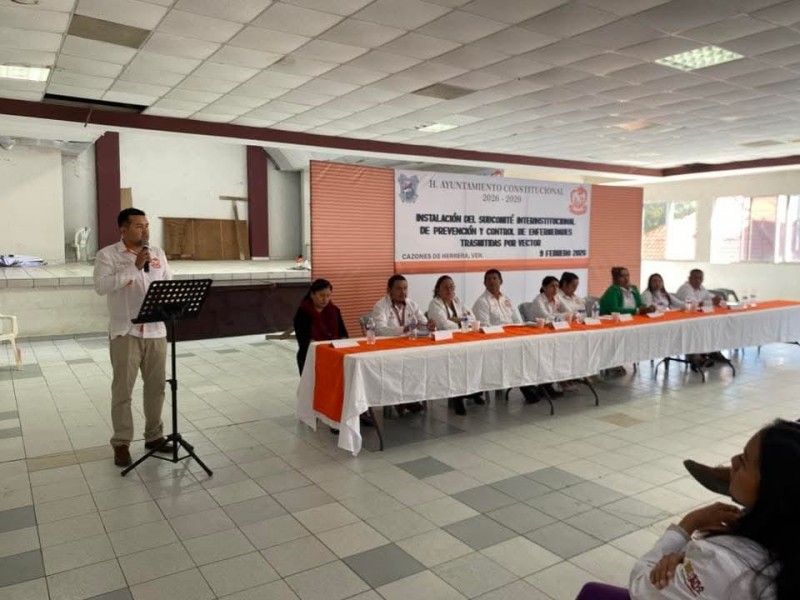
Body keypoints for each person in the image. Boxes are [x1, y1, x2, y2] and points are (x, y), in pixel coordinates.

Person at [577, 419, 800, 600]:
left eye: (743, 461)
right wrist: (687, 561)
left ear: (773, 488)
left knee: (592, 594)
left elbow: (642, 587)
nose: (733, 460)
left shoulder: (724, 563)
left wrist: (687, 526)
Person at [93, 208, 172, 468]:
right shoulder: (108, 255)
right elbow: (101, 287)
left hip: (156, 331)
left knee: (156, 388)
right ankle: (121, 442)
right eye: (139, 226)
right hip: (125, 332)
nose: (145, 230)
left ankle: (154, 436)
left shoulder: (157, 253)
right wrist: (133, 267)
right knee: (123, 391)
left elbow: (168, 283)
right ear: (123, 229)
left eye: (147, 225)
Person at [472, 269, 542, 404]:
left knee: (530, 349)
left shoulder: (506, 299)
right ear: (484, 283)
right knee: (517, 354)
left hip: (512, 338)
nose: (492, 281)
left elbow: (517, 320)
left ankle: (536, 384)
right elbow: (485, 326)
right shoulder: (482, 302)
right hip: (495, 342)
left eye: (495, 278)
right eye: (489, 279)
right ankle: (526, 387)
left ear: (501, 281)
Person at [371, 274, 434, 414]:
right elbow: (380, 331)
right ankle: (399, 400)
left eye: (405, 288)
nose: (403, 292)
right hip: (388, 348)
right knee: (399, 364)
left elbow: (423, 324)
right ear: (389, 290)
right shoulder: (380, 306)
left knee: (421, 362)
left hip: (409, 345)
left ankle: (409, 398)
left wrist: (429, 326)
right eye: (398, 289)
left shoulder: (412, 304)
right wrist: (404, 329)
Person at [427, 275, 484, 415]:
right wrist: (461, 322)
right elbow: (444, 325)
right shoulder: (435, 304)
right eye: (445, 287)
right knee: (457, 362)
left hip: (462, 339)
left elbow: (472, 319)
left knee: (474, 357)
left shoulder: (457, 301)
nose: (449, 290)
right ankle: (457, 397)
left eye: (452, 287)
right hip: (444, 343)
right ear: (438, 289)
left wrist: (456, 319)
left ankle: (473, 391)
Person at [293, 278, 348, 376]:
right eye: (321, 295)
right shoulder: (303, 313)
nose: (325, 299)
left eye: (328, 296)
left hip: (334, 356)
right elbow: (303, 340)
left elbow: (343, 333)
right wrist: (323, 348)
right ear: (312, 295)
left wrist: (343, 343)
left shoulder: (334, 310)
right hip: (310, 357)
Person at [675, 269, 725, 370]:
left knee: (713, 326)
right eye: (695, 278)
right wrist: (711, 302)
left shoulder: (701, 288)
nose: (698, 280)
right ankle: (695, 357)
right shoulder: (685, 288)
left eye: (700, 278)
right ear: (689, 278)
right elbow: (694, 304)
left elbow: (709, 296)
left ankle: (713, 351)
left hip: (697, 317)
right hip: (682, 320)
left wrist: (717, 299)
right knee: (697, 328)